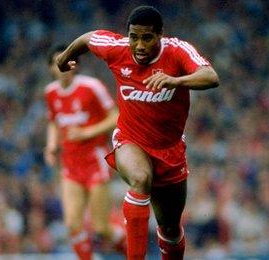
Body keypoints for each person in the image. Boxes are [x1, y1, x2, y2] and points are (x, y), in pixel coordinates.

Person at [56, 6, 219, 259]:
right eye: (134, 37)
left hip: (170, 150)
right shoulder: (117, 49)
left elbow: (210, 76)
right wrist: (65, 57)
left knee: (170, 228)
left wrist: (176, 81)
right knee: (140, 178)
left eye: (147, 38)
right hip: (130, 140)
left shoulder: (177, 51)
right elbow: (88, 38)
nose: (139, 45)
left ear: (160, 35)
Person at [44, 44, 123, 259]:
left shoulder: (91, 87)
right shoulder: (50, 93)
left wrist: (86, 132)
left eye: (68, 63)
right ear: (51, 68)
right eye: (57, 63)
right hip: (70, 164)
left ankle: (131, 249)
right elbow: (53, 122)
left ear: (76, 66)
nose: (63, 67)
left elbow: (115, 116)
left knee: (100, 227)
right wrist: (51, 146)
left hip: (95, 159)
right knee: (72, 224)